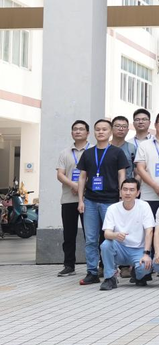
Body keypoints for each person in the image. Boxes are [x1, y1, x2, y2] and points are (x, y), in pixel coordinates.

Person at [76, 119, 131, 286]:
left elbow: (122, 175)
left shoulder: (117, 152)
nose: (101, 132)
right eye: (98, 129)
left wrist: (121, 196)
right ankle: (92, 272)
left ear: (110, 132)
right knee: (91, 239)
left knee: (111, 238)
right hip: (90, 201)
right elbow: (82, 177)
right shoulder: (88, 153)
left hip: (111, 201)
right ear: (94, 132)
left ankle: (111, 271)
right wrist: (80, 200)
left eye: (104, 129)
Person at [98, 178, 155, 290]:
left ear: (138, 193)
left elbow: (149, 231)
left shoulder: (144, 206)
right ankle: (110, 278)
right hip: (120, 248)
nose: (128, 193)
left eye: (132, 190)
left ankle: (137, 274)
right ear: (120, 192)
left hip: (139, 249)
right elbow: (107, 233)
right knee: (105, 245)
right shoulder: (112, 208)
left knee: (146, 267)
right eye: (125, 189)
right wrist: (115, 235)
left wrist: (146, 253)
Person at [56, 119, 90, 277]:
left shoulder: (93, 150)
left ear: (87, 133)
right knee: (69, 234)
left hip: (88, 199)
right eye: (75, 129)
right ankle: (69, 265)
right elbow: (60, 174)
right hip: (68, 199)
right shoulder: (65, 153)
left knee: (90, 234)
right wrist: (74, 185)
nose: (78, 131)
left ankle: (94, 265)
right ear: (71, 133)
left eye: (81, 129)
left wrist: (82, 187)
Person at [110, 116, 136, 181]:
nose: (121, 129)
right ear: (111, 128)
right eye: (117, 126)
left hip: (126, 185)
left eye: (124, 126)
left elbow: (137, 170)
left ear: (127, 130)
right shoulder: (105, 147)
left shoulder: (132, 148)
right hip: (108, 185)